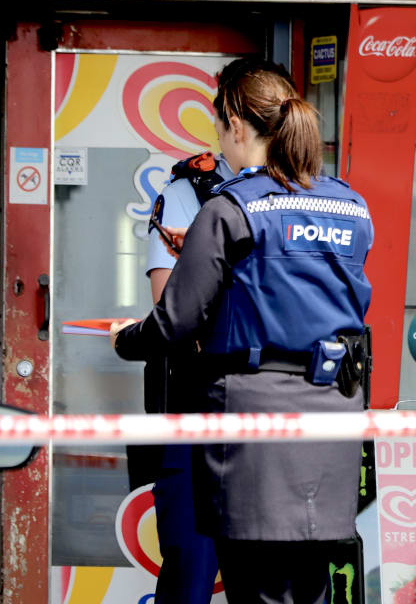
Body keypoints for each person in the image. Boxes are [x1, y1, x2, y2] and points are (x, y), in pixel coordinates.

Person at [110, 56, 372, 604]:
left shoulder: (233, 208)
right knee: (309, 589)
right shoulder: (352, 205)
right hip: (334, 422)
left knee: (256, 589)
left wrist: (125, 338)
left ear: (235, 126)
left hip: (254, 430)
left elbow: (177, 322)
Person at [132, 148, 234, 603]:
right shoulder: (187, 192)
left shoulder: (304, 196)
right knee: (190, 573)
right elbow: (172, 314)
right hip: (198, 407)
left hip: (278, 418)